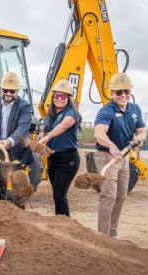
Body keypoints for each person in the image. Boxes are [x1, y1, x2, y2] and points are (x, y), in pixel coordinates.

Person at [93, 72, 146, 239]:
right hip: (107, 157)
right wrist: (111, 146)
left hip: (123, 157)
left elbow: (142, 131)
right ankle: (103, 236)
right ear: (111, 93)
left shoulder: (135, 109)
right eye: (118, 92)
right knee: (109, 195)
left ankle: (113, 231)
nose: (123, 95)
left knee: (122, 195)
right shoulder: (106, 111)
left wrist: (138, 138)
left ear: (130, 92)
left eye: (126, 92)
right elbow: (99, 132)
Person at [0, 71, 33, 206]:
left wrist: (9, 141)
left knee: (18, 189)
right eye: (5, 90)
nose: (8, 93)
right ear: (0, 89)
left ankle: (19, 218)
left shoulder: (25, 106)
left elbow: (22, 128)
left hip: (18, 152)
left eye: (12, 91)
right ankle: (1, 214)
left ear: (17, 91)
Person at [39, 79, 81, 217]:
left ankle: (65, 226)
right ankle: (61, 223)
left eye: (63, 96)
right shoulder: (51, 115)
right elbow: (44, 128)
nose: (59, 99)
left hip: (68, 159)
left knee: (59, 195)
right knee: (58, 196)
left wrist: (48, 136)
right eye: (57, 96)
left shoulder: (71, 113)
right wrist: (41, 134)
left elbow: (63, 125)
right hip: (53, 158)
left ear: (69, 99)